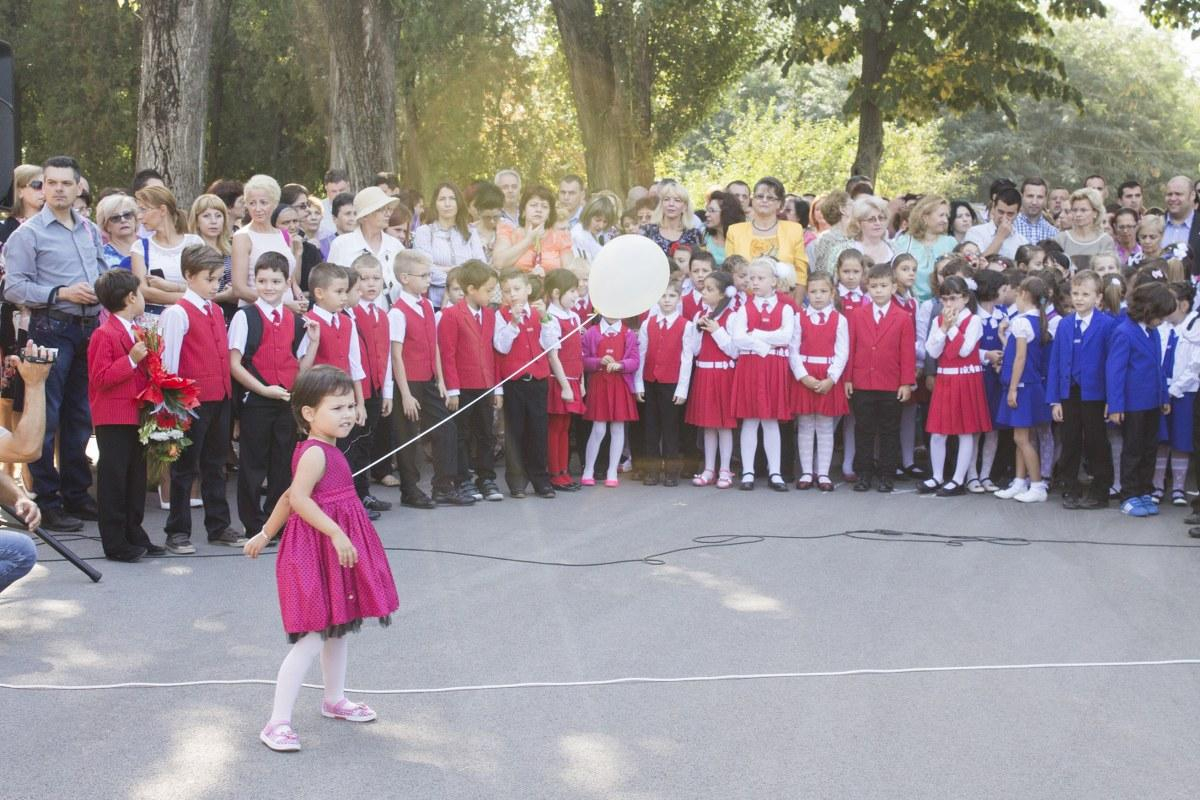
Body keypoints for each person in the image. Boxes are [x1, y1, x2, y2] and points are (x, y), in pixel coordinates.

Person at [243, 365, 399, 753]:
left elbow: (286, 496)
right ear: (309, 413)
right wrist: (335, 532)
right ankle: (277, 722)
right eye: (337, 407)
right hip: (315, 551)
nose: (348, 414)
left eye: (350, 406)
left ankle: (334, 699)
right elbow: (297, 499)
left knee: (338, 626)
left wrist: (265, 532)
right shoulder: (314, 453)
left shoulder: (328, 448)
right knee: (313, 635)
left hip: (331, 551)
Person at [2, 156, 106, 531]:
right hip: (50, 327)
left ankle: (77, 494)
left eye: (66, 183)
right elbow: (13, 288)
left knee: (80, 415)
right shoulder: (27, 234)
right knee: (44, 417)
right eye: (51, 183)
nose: (58, 189)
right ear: (42, 187)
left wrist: (103, 289)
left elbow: (102, 270)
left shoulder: (90, 229)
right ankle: (47, 500)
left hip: (88, 327)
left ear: (79, 187)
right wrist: (61, 292)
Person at [155, 245, 242, 553]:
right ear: (189, 276)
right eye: (209, 279)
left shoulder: (215, 310)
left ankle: (218, 525)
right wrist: (172, 405)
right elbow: (168, 363)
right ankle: (177, 531)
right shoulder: (177, 313)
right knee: (184, 468)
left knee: (215, 464)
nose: (215, 285)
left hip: (220, 397)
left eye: (218, 279)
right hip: (191, 402)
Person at [228, 252, 315, 539]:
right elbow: (235, 364)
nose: (268, 287)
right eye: (262, 280)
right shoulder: (245, 316)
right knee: (253, 464)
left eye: (276, 281)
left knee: (282, 464)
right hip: (257, 400)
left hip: (286, 400)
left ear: (287, 282)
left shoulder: (296, 320)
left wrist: (314, 342)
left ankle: (276, 523)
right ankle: (253, 524)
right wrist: (263, 389)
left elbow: (301, 367)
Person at [87, 270, 165, 561]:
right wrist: (130, 360)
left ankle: (134, 532)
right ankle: (115, 541)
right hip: (113, 416)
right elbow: (100, 378)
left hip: (136, 413)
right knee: (114, 478)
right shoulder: (104, 333)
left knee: (135, 478)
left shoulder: (135, 330)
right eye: (140, 293)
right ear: (131, 297)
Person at [387, 251, 471, 507]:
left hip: (428, 379)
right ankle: (410, 490)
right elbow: (396, 355)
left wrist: (441, 380)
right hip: (408, 383)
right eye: (423, 276)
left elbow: (433, 345)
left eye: (428, 275)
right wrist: (405, 394)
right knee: (409, 436)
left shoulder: (426, 306)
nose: (428, 280)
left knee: (446, 428)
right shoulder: (398, 312)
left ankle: (443, 485)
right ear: (405, 278)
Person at [493, 268, 565, 497]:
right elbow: (501, 346)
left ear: (528, 289)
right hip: (514, 382)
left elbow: (550, 344)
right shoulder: (500, 315)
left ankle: (540, 479)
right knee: (515, 432)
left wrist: (545, 319)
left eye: (516, 289)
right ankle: (516, 480)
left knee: (538, 431)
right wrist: (513, 324)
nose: (512, 294)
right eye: (506, 291)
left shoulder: (539, 313)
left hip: (537, 381)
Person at [1106, 281, 1175, 517]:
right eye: (1160, 315)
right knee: (1133, 450)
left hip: (1152, 402)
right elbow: (1115, 372)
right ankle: (1129, 495)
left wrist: (1163, 396)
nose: (1162, 320)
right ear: (1148, 309)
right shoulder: (1124, 332)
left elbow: (1158, 367)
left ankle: (1145, 490)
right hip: (1133, 404)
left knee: (1149, 449)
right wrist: (1116, 405)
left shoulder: (1153, 333)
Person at [846, 263, 915, 493]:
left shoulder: (903, 317)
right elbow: (851, 347)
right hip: (862, 381)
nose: (878, 290)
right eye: (874, 286)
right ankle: (864, 473)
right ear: (867, 287)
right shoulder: (857, 315)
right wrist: (848, 378)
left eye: (883, 286)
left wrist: (906, 382)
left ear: (893, 287)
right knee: (863, 429)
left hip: (890, 383)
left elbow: (907, 353)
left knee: (889, 430)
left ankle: (887, 474)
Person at [438, 260, 504, 501]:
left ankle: (486, 478)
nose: (492, 295)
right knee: (462, 434)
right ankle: (463, 479)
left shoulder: (490, 315)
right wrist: (453, 389)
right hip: (463, 386)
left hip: (485, 384)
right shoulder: (451, 315)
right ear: (471, 289)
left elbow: (493, 352)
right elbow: (447, 354)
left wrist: (497, 388)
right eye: (488, 290)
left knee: (486, 433)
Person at [920, 275, 992, 496]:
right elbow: (932, 351)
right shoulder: (938, 320)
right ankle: (937, 476)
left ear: (965, 298)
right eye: (944, 299)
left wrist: (950, 327)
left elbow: (964, 350)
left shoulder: (974, 320)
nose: (948, 304)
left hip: (965, 378)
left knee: (964, 431)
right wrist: (942, 328)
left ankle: (959, 479)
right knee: (938, 431)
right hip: (945, 378)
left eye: (953, 298)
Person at [728, 258, 795, 492]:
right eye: (751, 278)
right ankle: (748, 471)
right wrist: (765, 344)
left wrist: (755, 334)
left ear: (774, 281)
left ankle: (775, 472)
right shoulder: (744, 309)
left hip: (774, 368)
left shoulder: (785, 309)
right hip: (751, 367)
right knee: (750, 419)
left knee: (770, 420)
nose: (754, 282)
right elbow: (738, 338)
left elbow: (785, 337)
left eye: (760, 278)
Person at [993, 276, 1053, 503]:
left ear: (1025, 295)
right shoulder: (1039, 320)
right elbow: (1016, 352)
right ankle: (1019, 481)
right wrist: (1002, 337)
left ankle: (1036, 484)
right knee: (1021, 437)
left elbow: (1020, 358)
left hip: (1022, 385)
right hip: (1030, 384)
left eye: (1017, 294)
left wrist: (1013, 389)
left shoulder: (1021, 321)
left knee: (1021, 438)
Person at [790, 271, 848, 493]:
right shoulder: (799, 318)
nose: (818, 296)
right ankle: (806, 472)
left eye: (823, 291)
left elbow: (842, 352)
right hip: (806, 375)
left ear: (832, 293)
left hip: (827, 377)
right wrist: (803, 376)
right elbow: (793, 350)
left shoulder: (839, 320)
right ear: (807, 293)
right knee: (805, 425)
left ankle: (823, 472)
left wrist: (831, 378)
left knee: (825, 427)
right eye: (813, 291)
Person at [636, 280, 692, 486]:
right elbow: (641, 354)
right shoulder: (648, 323)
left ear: (679, 299)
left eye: (672, 296)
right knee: (651, 428)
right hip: (650, 381)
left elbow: (687, 358)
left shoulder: (686, 325)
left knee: (670, 428)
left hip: (671, 382)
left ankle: (671, 471)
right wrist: (639, 384)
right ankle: (651, 470)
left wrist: (682, 388)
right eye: (663, 296)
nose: (667, 300)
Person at [685, 271, 738, 488]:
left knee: (723, 426)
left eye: (710, 289)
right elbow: (695, 350)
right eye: (703, 288)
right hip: (704, 373)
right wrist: (697, 329)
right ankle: (709, 469)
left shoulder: (732, 316)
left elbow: (734, 351)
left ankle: (724, 469)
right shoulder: (700, 315)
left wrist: (716, 331)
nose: (704, 292)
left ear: (723, 293)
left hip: (723, 375)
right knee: (707, 425)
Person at [580, 312, 639, 487]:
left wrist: (621, 365)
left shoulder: (628, 334)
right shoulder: (592, 332)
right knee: (598, 429)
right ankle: (588, 469)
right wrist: (599, 361)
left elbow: (635, 361)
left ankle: (612, 471)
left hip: (620, 384)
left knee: (618, 428)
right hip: (600, 384)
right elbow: (583, 360)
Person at [541, 268, 585, 492]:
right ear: (556, 293)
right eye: (572, 291)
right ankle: (555, 472)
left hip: (573, 378)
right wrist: (565, 386)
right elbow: (553, 356)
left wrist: (581, 382)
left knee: (565, 427)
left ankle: (564, 471)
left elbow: (578, 353)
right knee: (555, 427)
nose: (576, 295)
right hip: (559, 380)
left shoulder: (574, 316)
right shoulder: (551, 319)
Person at [1152, 282, 1195, 506]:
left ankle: (1178, 487)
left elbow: (1194, 366)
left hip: (1184, 393)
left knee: (1181, 440)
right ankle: (1157, 485)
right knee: (1161, 440)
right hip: (1161, 391)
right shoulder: (1160, 328)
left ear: (1184, 305)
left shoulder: (1194, 328)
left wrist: (1175, 389)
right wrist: (1162, 390)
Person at [725, 177, 809, 288]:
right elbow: (730, 272)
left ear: (779, 203)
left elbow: (801, 274)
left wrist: (796, 299)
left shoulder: (794, 230)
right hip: (744, 297)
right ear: (752, 200)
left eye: (770, 198)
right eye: (760, 196)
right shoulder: (735, 231)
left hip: (784, 296)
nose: (764, 200)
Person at [328, 187, 405, 307]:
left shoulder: (396, 246)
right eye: (381, 209)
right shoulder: (341, 245)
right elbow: (332, 286)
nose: (388, 213)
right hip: (353, 315)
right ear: (364, 216)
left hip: (390, 315)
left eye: (388, 209)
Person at [413, 182, 485, 307]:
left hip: (469, 303)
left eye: (452, 198)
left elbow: (480, 267)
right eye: (442, 199)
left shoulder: (470, 232)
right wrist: (459, 279)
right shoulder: (424, 232)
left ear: (459, 203)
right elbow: (426, 269)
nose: (447, 204)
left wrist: (444, 268)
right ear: (435, 204)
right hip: (435, 303)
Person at [231, 175, 298, 308]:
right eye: (252, 203)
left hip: (287, 314)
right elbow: (239, 289)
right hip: (256, 312)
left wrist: (298, 295)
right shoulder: (243, 237)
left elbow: (290, 278)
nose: (257, 209)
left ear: (274, 203)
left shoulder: (283, 235)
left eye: (263, 202)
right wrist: (282, 305)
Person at [493, 186, 573, 274]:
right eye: (533, 205)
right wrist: (528, 240)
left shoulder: (560, 237)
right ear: (524, 210)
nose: (539, 210)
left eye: (544, 206)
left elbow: (569, 274)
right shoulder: (509, 233)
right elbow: (499, 263)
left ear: (549, 214)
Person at [892, 194, 957, 301]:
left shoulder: (951, 243)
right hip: (909, 303)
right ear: (925, 217)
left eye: (947, 216)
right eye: (941, 215)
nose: (945, 220)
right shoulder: (904, 242)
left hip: (944, 303)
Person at [189, 194, 237, 313]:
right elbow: (192, 293)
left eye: (218, 216)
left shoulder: (232, 249)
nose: (213, 221)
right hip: (202, 312)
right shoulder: (192, 251)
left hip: (231, 313)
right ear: (196, 221)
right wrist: (224, 295)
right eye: (206, 216)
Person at [1054, 187, 1115, 272]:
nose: (1078, 214)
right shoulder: (1061, 239)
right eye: (1074, 210)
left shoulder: (1105, 241)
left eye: (1083, 210)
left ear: (1095, 213)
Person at [639, 181, 704, 257]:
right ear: (661, 204)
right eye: (666, 199)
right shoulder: (648, 231)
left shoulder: (694, 234)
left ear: (685, 207)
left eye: (677, 200)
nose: (671, 204)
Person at [965, 186, 1027, 261]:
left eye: (1010, 214)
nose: (1004, 218)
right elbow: (976, 263)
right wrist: (1000, 237)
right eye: (1001, 212)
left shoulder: (1022, 241)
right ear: (993, 208)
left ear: (1018, 213)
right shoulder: (975, 232)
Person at [0, 164, 43, 246]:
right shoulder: (4, 231)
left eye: (47, 185)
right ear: (19, 191)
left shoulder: (58, 224)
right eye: (37, 185)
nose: (44, 191)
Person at [570, 194, 619, 261]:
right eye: (597, 220)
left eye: (605, 222)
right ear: (588, 215)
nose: (601, 226)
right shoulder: (578, 236)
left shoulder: (594, 233)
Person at [849, 194, 894, 266]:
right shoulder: (848, 249)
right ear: (858, 223)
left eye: (881, 218)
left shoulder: (894, 248)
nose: (878, 223)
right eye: (871, 219)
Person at [96, 194, 138, 269]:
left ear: (135, 219)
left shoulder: (150, 246)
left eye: (127, 215)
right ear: (106, 226)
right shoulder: (102, 256)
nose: (123, 220)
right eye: (115, 218)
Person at [1013, 178, 1059, 244]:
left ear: (1045, 199)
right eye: (1030, 196)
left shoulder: (1053, 233)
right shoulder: (1011, 226)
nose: (1034, 202)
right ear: (1021, 196)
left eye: (1040, 197)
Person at [703, 190, 742, 266]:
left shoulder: (740, 240)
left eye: (712, 211)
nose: (706, 214)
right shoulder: (705, 238)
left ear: (726, 213)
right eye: (707, 210)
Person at [1162, 175, 1198, 253]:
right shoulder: (1155, 223)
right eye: (1169, 194)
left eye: (1178, 194)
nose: (1173, 198)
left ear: (1192, 195)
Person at [316, 168, 351, 239]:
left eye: (341, 190)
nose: (338, 195)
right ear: (326, 188)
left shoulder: (359, 206)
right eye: (334, 191)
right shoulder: (318, 209)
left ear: (348, 186)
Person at [320, 192, 356, 258]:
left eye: (355, 214)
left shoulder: (365, 242)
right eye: (348, 214)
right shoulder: (323, 246)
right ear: (334, 218)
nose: (352, 218)